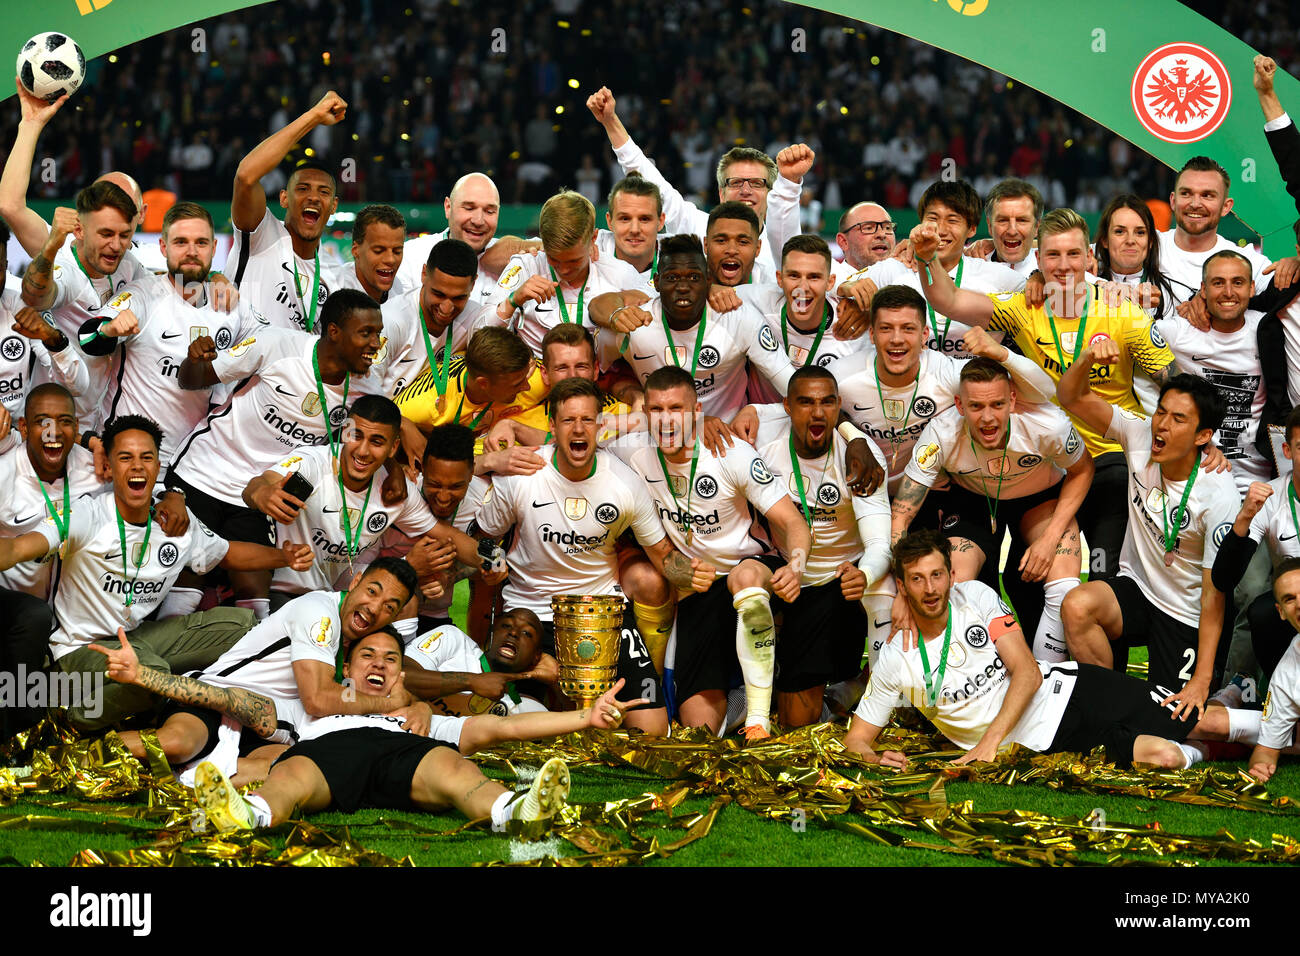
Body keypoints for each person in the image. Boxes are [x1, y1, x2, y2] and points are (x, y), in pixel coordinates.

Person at [913, 207, 1179, 583]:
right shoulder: (1024, 308)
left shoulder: (1123, 312)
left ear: (1090, 257)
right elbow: (949, 301)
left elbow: (1175, 385)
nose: (1064, 265)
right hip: (1048, 463)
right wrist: (927, 259)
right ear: (1038, 259)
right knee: (1030, 580)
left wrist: (1200, 441)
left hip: (1109, 463)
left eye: (1073, 255)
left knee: (1106, 576)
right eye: (1053, 255)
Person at [844, 531, 1259, 770]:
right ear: (902, 586)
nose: (930, 588)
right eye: (917, 579)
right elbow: (856, 740)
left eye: (936, 575)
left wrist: (989, 743)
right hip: (1052, 745)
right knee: (1167, 757)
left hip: (1071, 694)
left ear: (951, 575)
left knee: (1206, 723)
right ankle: (1209, 746)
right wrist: (875, 757)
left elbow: (1027, 673)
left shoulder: (974, 597)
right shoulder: (896, 660)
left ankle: (1264, 728)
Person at [0, 414, 313, 730]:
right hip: (77, 652)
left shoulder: (175, 522)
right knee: (150, 675)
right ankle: (68, 718)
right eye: (125, 458)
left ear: (157, 465)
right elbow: (18, 548)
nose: (137, 466)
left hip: (136, 638)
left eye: (145, 457)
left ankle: (169, 688)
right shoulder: (88, 514)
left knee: (242, 625)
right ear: (108, 467)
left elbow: (228, 554)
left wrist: (284, 557)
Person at [191, 628, 646, 834]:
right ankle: (252, 816)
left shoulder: (420, 717)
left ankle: (513, 810)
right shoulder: (318, 706)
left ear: (402, 674)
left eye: (391, 659)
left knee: (454, 767)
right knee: (289, 777)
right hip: (329, 753)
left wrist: (584, 718)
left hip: (403, 751)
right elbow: (242, 703)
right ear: (347, 667)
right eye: (368, 656)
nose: (379, 665)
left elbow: (501, 728)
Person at [617, 366, 812, 739]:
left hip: (752, 570)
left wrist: (796, 566)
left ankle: (758, 718)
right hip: (700, 590)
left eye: (677, 408)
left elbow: (792, 521)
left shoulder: (730, 453)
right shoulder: (635, 456)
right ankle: (745, 699)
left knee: (745, 579)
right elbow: (581, 433)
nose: (666, 420)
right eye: (656, 410)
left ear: (696, 413)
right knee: (701, 728)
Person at [473, 377, 675, 735]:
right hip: (531, 611)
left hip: (601, 613)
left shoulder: (625, 483)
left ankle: (580, 694)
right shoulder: (522, 473)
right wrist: (492, 560)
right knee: (515, 722)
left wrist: (698, 572)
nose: (578, 429)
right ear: (552, 426)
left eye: (587, 420)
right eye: (568, 420)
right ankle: (552, 688)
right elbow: (483, 537)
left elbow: (662, 555)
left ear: (600, 425)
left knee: (653, 730)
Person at [171, 289, 386, 621]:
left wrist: (397, 471)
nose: (376, 343)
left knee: (256, 609)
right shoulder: (276, 345)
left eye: (378, 334)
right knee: (182, 593)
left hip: (259, 498)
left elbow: (388, 432)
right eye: (366, 333)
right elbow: (191, 380)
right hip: (204, 473)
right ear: (334, 332)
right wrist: (193, 361)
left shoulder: (365, 390)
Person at [104, 557, 428, 773]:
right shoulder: (320, 613)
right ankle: (87, 754)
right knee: (178, 745)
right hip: (216, 697)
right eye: (372, 592)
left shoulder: (359, 641)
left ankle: (198, 792)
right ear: (355, 581)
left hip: (267, 726)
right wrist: (389, 704)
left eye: (389, 606)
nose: (374, 609)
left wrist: (418, 706)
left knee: (290, 767)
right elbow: (318, 698)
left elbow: (370, 688)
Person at [1057, 343, 1240, 719]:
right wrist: (1089, 359)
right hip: (1137, 591)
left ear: (1203, 436)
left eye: (1178, 420)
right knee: (1077, 605)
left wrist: (1201, 679)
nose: (1161, 425)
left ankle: (1247, 719)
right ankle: (1106, 709)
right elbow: (1070, 396)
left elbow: (1214, 596)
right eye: (1161, 412)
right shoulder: (1139, 434)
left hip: (1186, 613)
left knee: (1171, 721)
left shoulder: (1219, 495)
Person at [891, 357, 1092, 661]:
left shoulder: (1048, 425)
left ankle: (1047, 682)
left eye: (997, 405)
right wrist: (901, 589)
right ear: (959, 405)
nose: (987, 418)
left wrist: (1050, 539)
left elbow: (1083, 470)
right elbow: (901, 514)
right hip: (974, 502)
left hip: (1039, 499)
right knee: (954, 585)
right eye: (976, 407)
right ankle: (974, 680)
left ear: (1012, 400)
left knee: (1063, 584)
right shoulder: (941, 433)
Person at [76, 202, 266, 472]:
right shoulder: (143, 295)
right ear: (163, 247)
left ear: (213, 248)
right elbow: (87, 339)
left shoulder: (231, 303)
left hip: (192, 467)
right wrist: (109, 329)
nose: (191, 252)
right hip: (125, 459)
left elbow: (273, 344)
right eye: (180, 242)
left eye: (200, 243)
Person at [752, 366, 891, 725]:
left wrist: (865, 574)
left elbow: (879, 542)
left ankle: (875, 686)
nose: (817, 413)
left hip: (840, 579)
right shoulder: (763, 446)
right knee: (794, 720)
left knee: (887, 588)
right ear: (786, 407)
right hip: (786, 575)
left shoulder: (861, 455)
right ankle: (840, 693)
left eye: (827, 403)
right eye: (805, 403)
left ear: (839, 406)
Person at [587, 86, 798, 281]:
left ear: (771, 193)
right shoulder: (697, 227)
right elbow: (648, 177)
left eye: (756, 183)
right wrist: (610, 121)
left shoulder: (782, 243)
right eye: (735, 183)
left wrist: (791, 182)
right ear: (721, 194)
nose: (745, 190)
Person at [589, 234, 795, 421]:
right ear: (657, 282)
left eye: (694, 278)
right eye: (672, 278)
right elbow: (595, 370)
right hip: (660, 438)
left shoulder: (738, 319)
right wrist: (630, 393)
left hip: (728, 441)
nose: (683, 287)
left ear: (708, 281)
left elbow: (792, 387)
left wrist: (757, 411)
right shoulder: (635, 326)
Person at [228, 92, 348, 331]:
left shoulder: (336, 277)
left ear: (333, 206)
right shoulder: (261, 235)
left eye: (323, 192)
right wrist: (313, 116)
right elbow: (246, 176)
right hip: (241, 368)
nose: (313, 196)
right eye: (303, 189)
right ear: (284, 198)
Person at [488, 190, 641, 358]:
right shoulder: (525, 266)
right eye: (554, 259)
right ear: (541, 241)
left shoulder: (620, 273)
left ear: (593, 238)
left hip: (596, 375)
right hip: (535, 374)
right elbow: (479, 335)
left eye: (574, 261)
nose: (564, 269)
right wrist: (513, 300)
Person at [741, 235, 872, 405]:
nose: (802, 288)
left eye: (814, 277)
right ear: (779, 279)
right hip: (759, 425)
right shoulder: (756, 301)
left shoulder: (852, 327)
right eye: (794, 276)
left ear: (830, 282)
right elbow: (713, 294)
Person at [370, 238, 489, 395]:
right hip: (385, 415)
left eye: (458, 298)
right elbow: (363, 395)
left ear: (473, 285)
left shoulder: (474, 316)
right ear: (424, 274)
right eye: (438, 294)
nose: (446, 308)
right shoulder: (391, 321)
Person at [1246, 557, 1300, 783]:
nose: (1299, 604)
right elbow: (1266, 749)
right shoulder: (1288, 672)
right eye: (1289, 599)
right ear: (1281, 612)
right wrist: (1259, 766)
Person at [333, 203, 411, 303]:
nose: (390, 259)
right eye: (379, 251)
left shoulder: (401, 291)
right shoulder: (332, 289)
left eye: (397, 251)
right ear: (355, 250)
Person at [595, 174, 665, 283]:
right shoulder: (590, 252)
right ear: (609, 221)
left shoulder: (681, 256)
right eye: (625, 218)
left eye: (644, 219)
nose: (635, 229)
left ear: (660, 221)